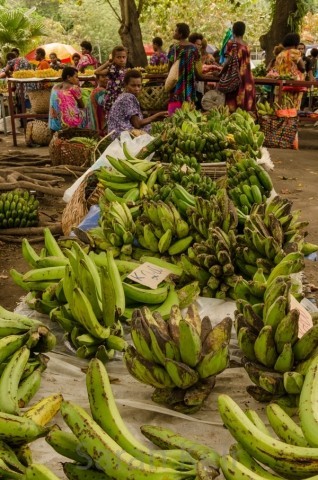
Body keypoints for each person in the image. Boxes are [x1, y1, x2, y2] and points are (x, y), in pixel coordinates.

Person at [108, 69, 167, 138]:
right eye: (133, 86)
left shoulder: (123, 96)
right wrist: (157, 115)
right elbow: (137, 124)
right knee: (156, 130)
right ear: (125, 85)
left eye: (139, 86)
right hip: (121, 134)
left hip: (116, 133)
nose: (136, 89)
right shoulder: (128, 97)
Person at [167, 23, 203, 114]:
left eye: (176, 31)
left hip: (176, 83)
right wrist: (200, 76)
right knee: (189, 112)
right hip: (189, 83)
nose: (174, 32)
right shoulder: (194, 48)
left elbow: (170, 66)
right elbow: (195, 65)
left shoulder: (174, 48)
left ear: (181, 34)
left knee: (175, 112)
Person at [222, 21, 255, 112]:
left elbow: (228, 62)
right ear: (243, 32)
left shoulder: (232, 44)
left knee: (232, 109)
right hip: (248, 79)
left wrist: (220, 73)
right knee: (246, 110)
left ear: (233, 31)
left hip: (235, 79)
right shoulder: (247, 45)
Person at [272, 33, 305, 110]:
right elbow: (302, 67)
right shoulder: (294, 52)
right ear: (296, 43)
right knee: (292, 110)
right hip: (292, 88)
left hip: (280, 87)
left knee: (281, 109)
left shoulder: (280, 55)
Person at [49, 66, 87, 132]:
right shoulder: (74, 88)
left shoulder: (55, 87)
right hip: (68, 125)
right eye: (76, 77)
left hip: (54, 124)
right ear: (69, 77)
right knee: (86, 110)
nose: (78, 79)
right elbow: (81, 105)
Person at [95, 46, 127, 119]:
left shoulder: (125, 70)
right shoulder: (112, 69)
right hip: (112, 100)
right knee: (113, 119)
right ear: (113, 58)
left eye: (123, 57)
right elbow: (97, 72)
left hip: (122, 99)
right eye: (118, 57)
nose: (121, 60)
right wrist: (107, 63)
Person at [86, 70, 108, 136]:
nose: (106, 78)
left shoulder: (97, 90)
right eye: (103, 77)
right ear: (97, 79)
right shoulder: (100, 91)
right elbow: (107, 106)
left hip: (94, 125)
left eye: (108, 76)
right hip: (99, 126)